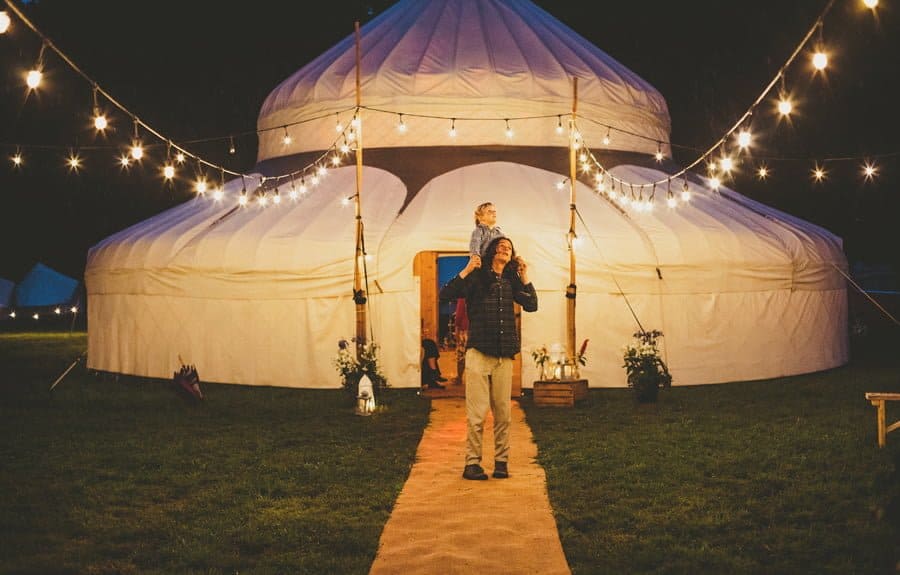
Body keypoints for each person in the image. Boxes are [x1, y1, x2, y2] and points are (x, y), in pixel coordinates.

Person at [439, 236, 538, 480]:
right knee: (477, 413)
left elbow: (532, 305)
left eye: (509, 247)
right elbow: (445, 294)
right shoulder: (476, 277)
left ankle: (501, 462)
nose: (505, 249)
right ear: (492, 251)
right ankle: (472, 464)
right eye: (501, 246)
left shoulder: (511, 281)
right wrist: (467, 269)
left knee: (503, 413)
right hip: (479, 353)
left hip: (504, 354)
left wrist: (525, 275)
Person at [454, 202, 506, 386]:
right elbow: (475, 247)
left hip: (495, 266)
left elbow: (505, 246)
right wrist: (475, 259)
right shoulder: (479, 232)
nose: (493, 213)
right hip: (483, 266)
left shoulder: (499, 231)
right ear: (480, 216)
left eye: (495, 211)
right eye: (489, 211)